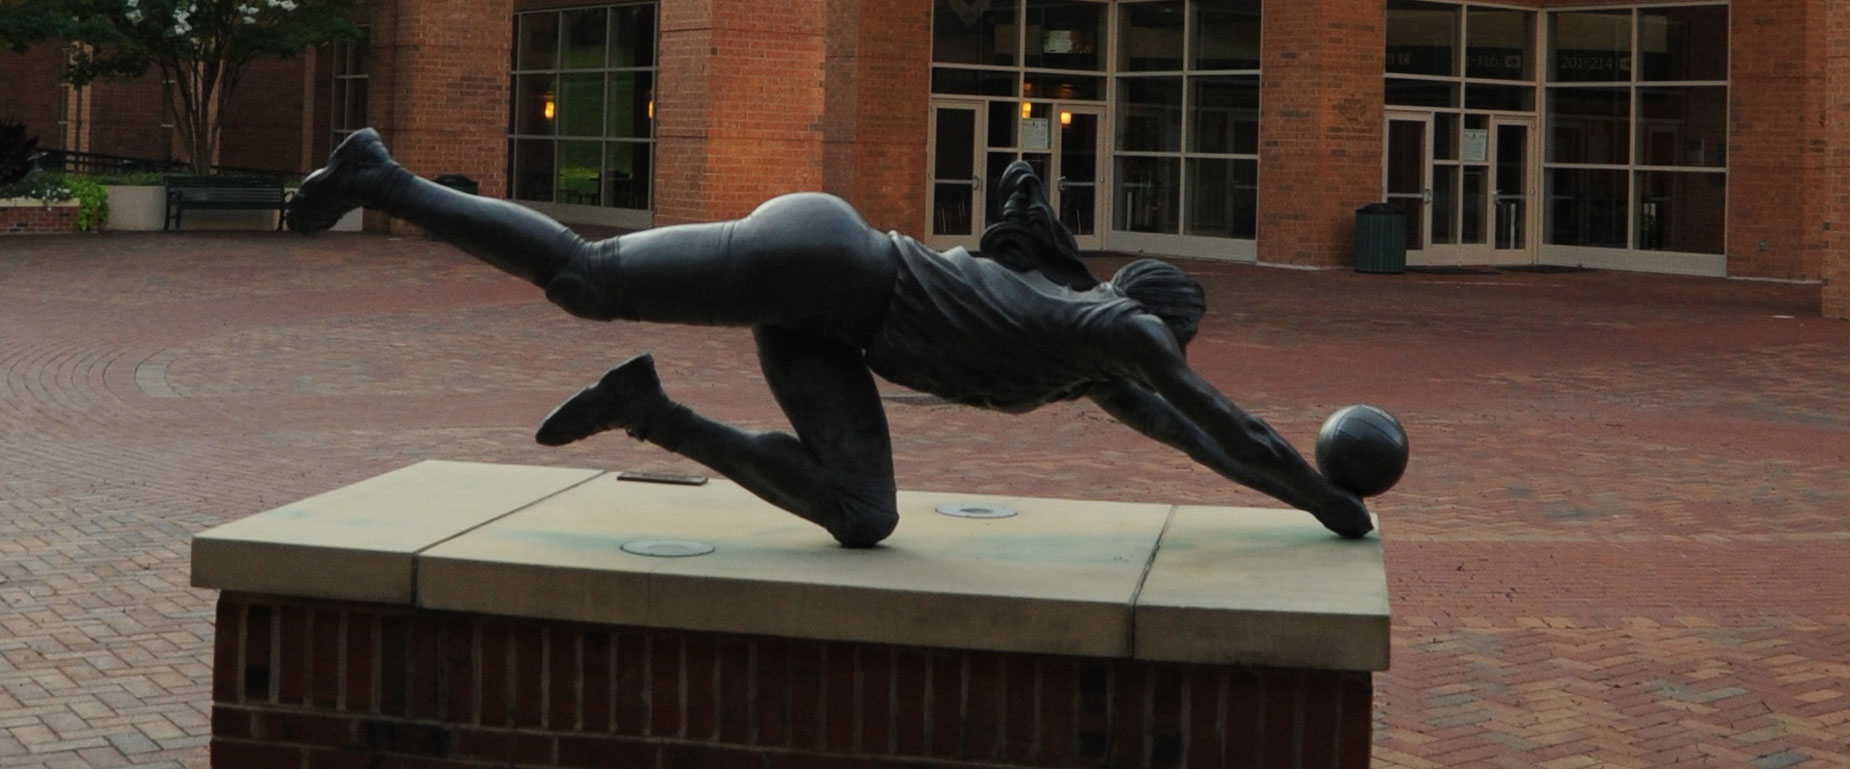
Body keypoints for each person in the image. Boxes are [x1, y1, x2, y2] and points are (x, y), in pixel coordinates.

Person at [288, 128, 1374, 547]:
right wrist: (1329, 499)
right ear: (1159, 315)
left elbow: (1202, 444)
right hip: (832, 261)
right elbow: (1231, 426)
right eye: (1174, 341)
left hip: (832, 329)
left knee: (865, 513)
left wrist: (1306, 505)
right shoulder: (1118, 331)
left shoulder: (1090, 370)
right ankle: (383, 178)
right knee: (586, 276)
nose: (1171, 365)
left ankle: (646, 408)